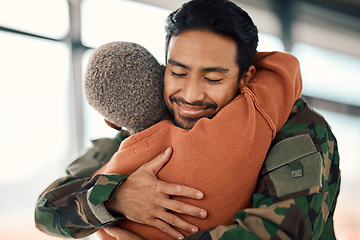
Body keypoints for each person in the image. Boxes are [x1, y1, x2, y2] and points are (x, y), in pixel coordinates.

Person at [35, 0, 340, 240]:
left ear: (244, 77)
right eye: (178, 73)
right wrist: (116, 199)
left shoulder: (296, 128)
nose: (191, 95)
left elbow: (283, 232)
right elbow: (46, 211)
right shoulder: (150, 127)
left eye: (213, 78)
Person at [82, 39, 301, 240]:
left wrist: (113, 199)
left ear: (111, 123)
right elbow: (284, 66)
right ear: (164, 74)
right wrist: (223, 57)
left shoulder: (103, 195)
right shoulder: (235, 129)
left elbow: (60, 204)